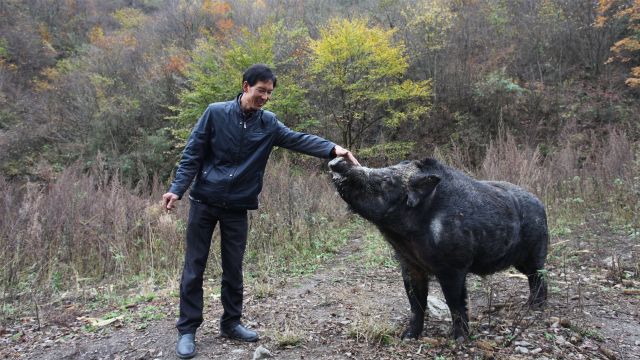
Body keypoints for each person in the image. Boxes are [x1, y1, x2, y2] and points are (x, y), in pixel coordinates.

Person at [162, 64, 359, 359]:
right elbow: (192, 153)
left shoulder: (268, 123)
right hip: (205, 201)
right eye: (260, 90)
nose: (265, 97)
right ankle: (188, 330)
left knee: (233, 268)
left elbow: (297, 139)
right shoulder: (215, 113)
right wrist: (177, 188)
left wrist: (333, 149)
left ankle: (231, 323)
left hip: (238, 205)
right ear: (245, 87)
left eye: (269, 92)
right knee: (194, 267)